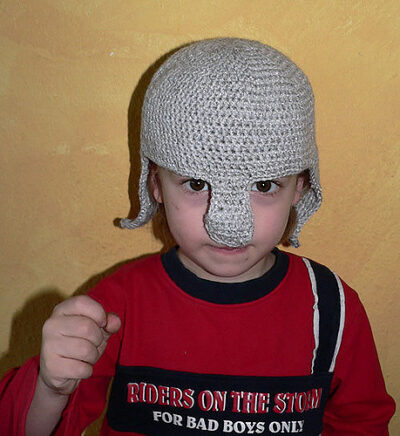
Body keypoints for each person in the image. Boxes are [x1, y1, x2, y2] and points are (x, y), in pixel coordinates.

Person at [0, 38, 395, 435]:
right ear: (154, 184)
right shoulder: (118, 309)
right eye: (196, 182)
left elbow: (363, 424)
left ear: (300, 187)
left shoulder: (332, 309)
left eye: (263, 185)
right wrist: (50, 389)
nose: (228, 224)